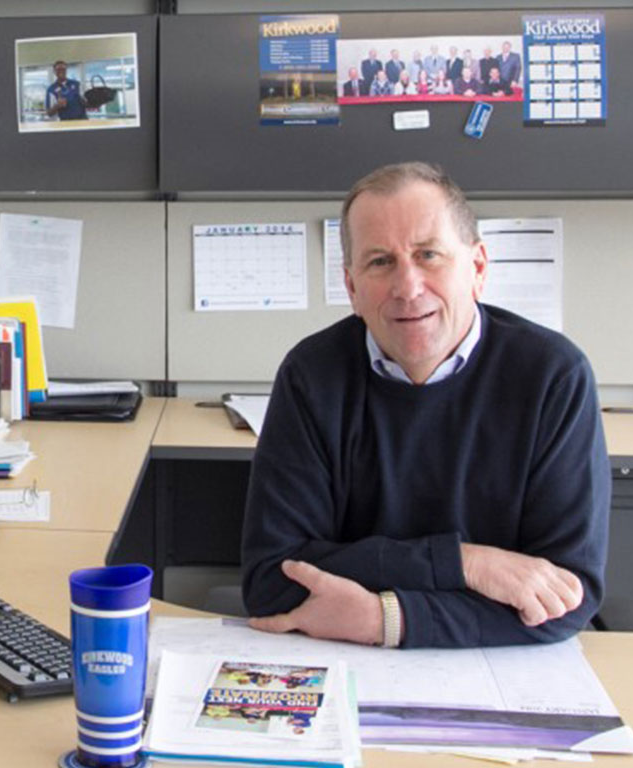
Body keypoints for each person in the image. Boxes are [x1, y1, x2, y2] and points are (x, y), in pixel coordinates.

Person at [241, 162, 609, 649]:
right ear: (351, 287)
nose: (407, 287)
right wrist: (466, 564)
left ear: (477, 269)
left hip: (496, 673)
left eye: (428, 255)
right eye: (380, 262)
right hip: (340, 662)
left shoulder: (552, 377)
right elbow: (273, 580)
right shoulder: (313, 375)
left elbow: (566, 596)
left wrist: (384, 619)